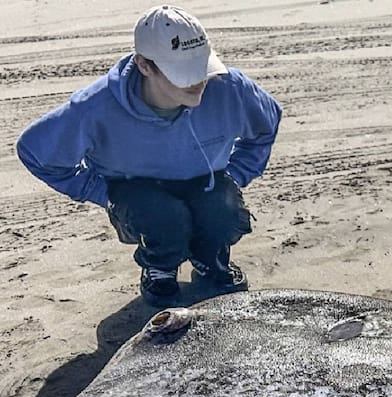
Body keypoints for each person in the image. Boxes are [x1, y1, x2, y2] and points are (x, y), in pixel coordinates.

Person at [16, 5, 282, 307]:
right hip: (136, 191)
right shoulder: (95, 107)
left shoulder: (230, 88)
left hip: (206, 182)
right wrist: (101, 193)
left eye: (202, 66)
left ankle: (211, 260)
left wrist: (237, 174)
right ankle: (160, 268)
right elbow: (35, 152)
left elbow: (267, 122)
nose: (198, 81)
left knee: (223, 210)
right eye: (182, 72)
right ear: (144, 65)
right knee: (164, 218)